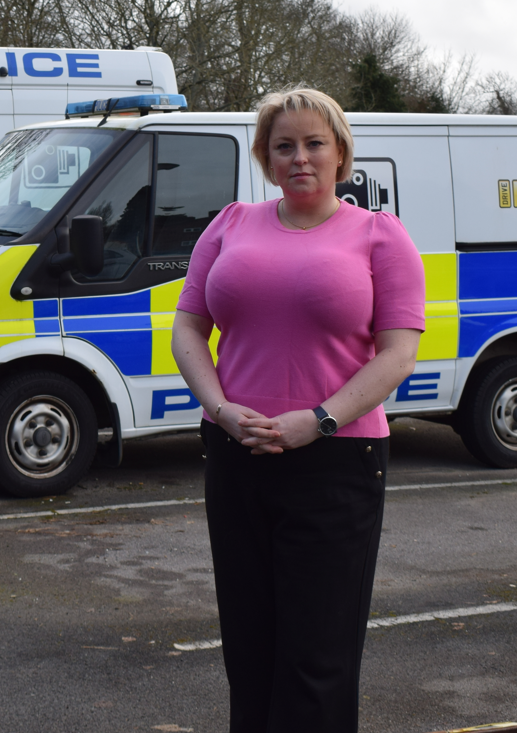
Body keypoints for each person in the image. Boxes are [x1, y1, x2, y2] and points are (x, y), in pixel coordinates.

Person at [170, 88, 425, 732]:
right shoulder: (229, 224)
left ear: (340, 153)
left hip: (337, 459)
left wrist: (320, 419)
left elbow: (396, 355)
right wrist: (221, 409)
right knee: (249, 651)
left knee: (318, 658)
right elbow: (187, 330)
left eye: (315, 143)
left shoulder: (379, 237)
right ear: (265, 157)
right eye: (284, 145)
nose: (300, 158)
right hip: (237, 453)